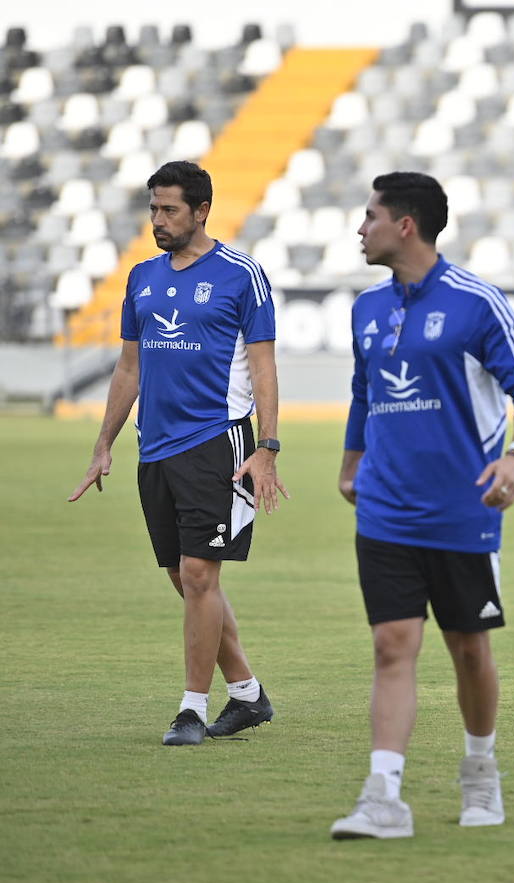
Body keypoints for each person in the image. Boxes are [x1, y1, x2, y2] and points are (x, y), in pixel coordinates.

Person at [329, 172, 514, 840]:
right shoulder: (366, 309)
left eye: (369, 217)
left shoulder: (476, 302)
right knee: (392, 646)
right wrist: (351, 461)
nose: (359, 229)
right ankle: (383, 797)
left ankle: (481, 769)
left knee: (469, 651)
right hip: (386, 509)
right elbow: (364, 393)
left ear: (405, 225)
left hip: (463, 510)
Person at [69, 160, 287, 746]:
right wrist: (102, 446)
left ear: (201, 211)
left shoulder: (243, 275)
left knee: (198, 574)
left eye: (169, 210)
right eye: (153, 210)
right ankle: (247, 694)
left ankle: (192, 709)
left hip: (220, 443)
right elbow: (130, 367)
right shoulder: (140, 277)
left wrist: (268, 448)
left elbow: (264, 367)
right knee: (184, 578)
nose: (158, 221)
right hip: (154, 448)